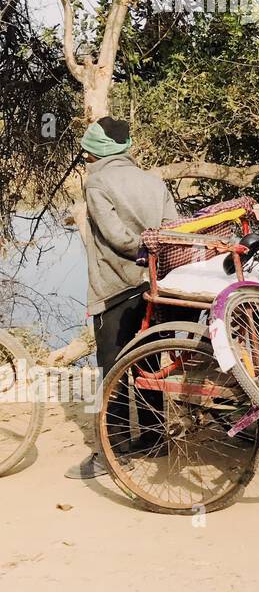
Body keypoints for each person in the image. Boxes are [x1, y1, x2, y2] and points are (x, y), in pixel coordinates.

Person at [66, 116, 178, 479]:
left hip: (115, 288)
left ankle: (111, 452)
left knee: (111, 369)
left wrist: (139, 250)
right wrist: (154, 256)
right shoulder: (153, 181)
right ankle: (153, 437)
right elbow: (173, 229)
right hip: (156, 286)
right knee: (149, 362)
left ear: (97, 152)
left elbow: (115, 236)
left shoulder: (98, 183)